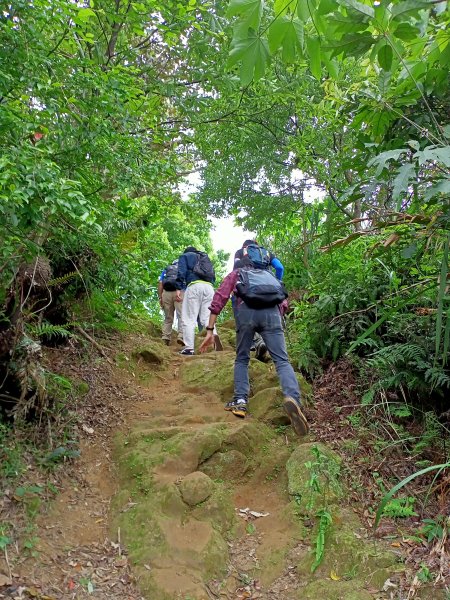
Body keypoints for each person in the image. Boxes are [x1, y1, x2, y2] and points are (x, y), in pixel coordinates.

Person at [199, 248, 309, 437]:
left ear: (245, 261)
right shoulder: (270, 276)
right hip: (272, 316)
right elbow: (283, 303)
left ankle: (240, 400)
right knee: (282, 361)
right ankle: (294, 399)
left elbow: (220, 298)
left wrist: (210, 329)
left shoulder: (238, 273)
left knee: (242, 359)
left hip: (246, 314)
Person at [234, 240, 285, 361]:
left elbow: (236, 270)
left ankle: (254, 342)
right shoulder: (266, 253)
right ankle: (265, 343)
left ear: (244, 246)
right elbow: (279, 267)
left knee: (245, 314)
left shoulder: (240, 252)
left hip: (249, 288)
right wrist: (277, 282)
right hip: (269, 290)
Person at [175, 246, 215, 356]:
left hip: (194, 286)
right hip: (209, 288)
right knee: (207, 318)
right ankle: (215, 343)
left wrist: (178, 287)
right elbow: (213, 276)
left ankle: (189, 348)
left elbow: (181, 272)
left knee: (189, 318)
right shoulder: (204, 257)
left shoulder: (185, 256)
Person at [158, 260, 184, 346]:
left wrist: (160, 297)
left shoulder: (166, 269)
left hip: (166, 293)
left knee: (168, 317)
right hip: (179, 292)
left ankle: (165, 337)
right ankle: (181, 335)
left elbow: (160, 283)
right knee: (181, 315)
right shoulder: (183, 269)